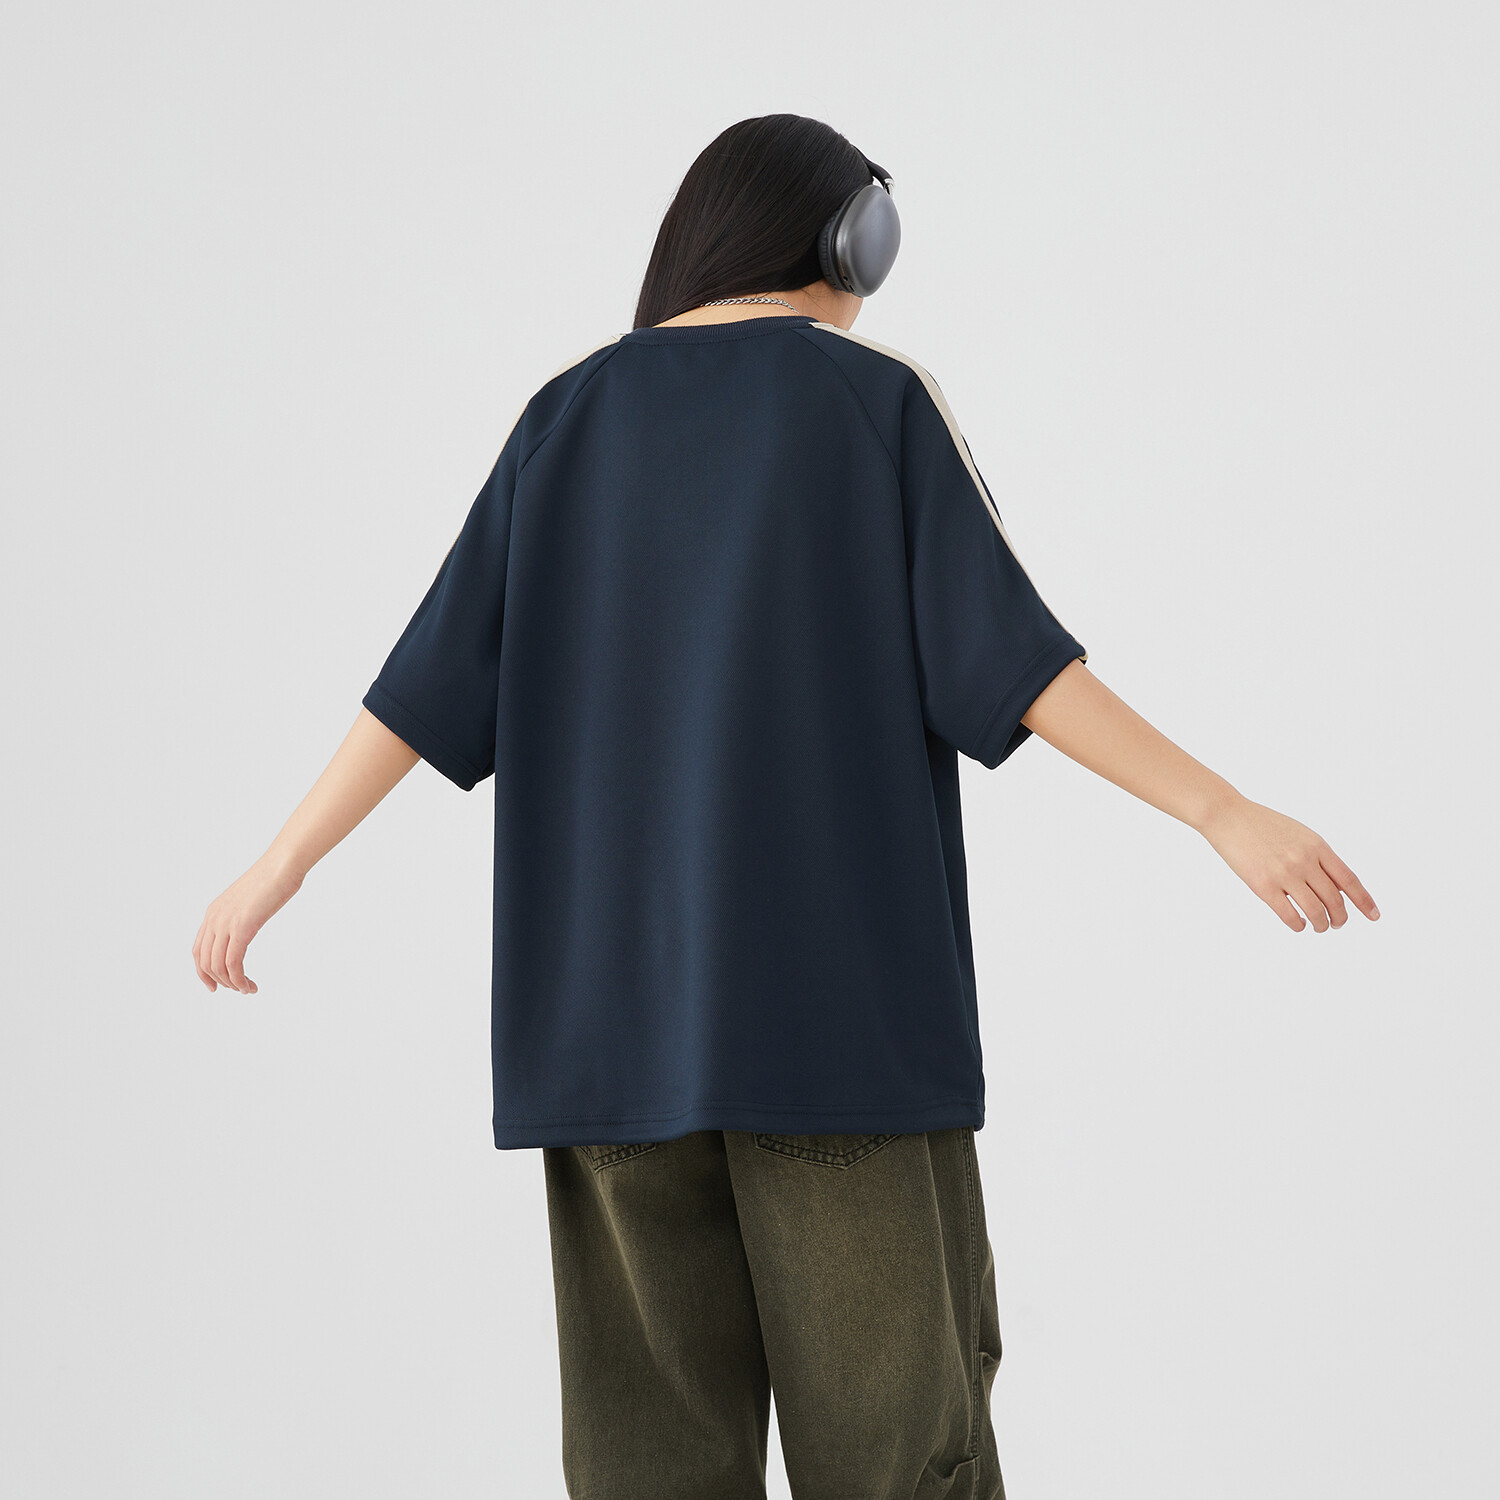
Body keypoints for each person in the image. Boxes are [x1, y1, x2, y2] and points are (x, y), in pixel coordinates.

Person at [191, 114, 1378, 1500]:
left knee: (647, 1469)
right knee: (902, 1460)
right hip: (839, 1037)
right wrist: (1220, 808)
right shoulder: (871, 403)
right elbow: (1018, 668)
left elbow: (425, 685)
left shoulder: (563, 417)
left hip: (611, 1050)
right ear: (847, 241)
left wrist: (279, 863)